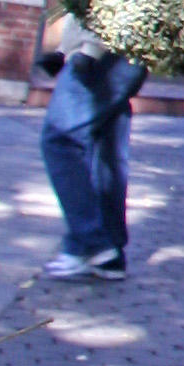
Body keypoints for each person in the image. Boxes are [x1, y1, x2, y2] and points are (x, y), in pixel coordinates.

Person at [38, 17, 146, 277]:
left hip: (101, 52)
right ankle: (108, 251)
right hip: (127, 49)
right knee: (105, 151)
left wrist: (88, 51)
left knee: (60, 140)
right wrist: (65, 50)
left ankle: (91, 243)